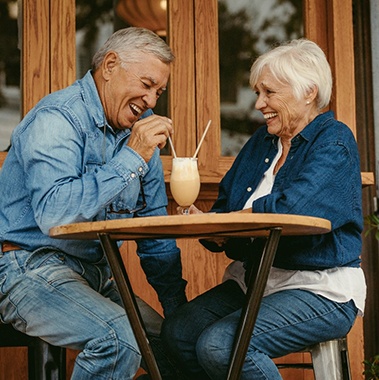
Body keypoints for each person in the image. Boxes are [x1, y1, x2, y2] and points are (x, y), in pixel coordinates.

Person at [161, 38, 366, 379]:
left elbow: (292, 209)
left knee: (220, 345)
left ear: (308, 92)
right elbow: (227, 207)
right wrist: (213, 228)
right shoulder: (261, 143)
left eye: (269, 92)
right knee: (179, 333)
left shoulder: (334, 140)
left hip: (319, 287)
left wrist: (229, 221)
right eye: (258, 92)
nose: (258, 104)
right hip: (256, 282)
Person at [0, 27, 187, 380]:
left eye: (158, 92)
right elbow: (55, 212)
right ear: (111, 65)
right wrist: (132, 157)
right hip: (25, 268)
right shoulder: (57, 119)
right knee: (119, 340)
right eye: (146, 85)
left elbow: (154, 231)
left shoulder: (139, 130)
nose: (151, 101)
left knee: (181, 351)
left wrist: (178, 313)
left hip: (97, 274)